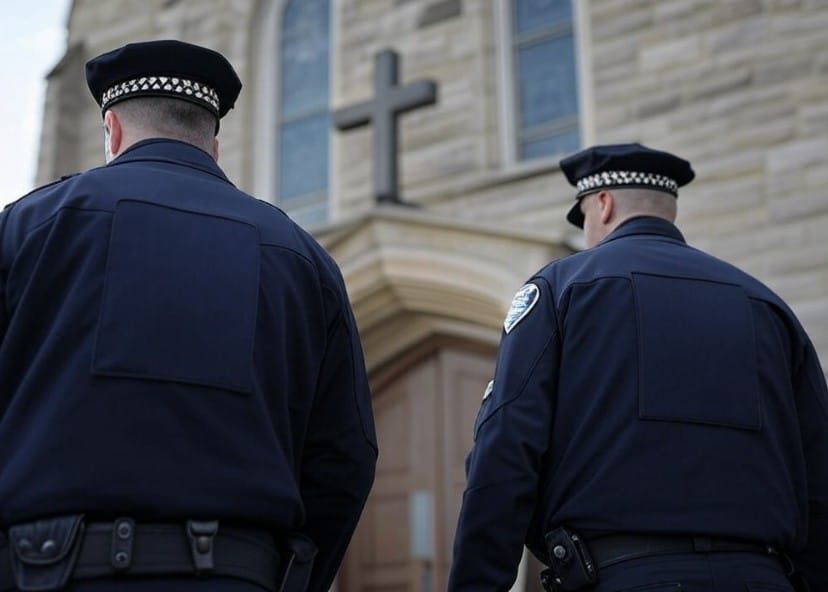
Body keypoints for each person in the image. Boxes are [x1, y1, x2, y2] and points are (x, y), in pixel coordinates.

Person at [0, 40, 377, 592]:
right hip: (237, 574)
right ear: (214, 144)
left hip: (45, 571)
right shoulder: (301, 258)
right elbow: (344, 457)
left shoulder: (29, 228)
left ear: (114, 130)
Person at [448, 143, 827, 592]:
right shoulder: (766, 305)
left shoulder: (562, 289)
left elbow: (506, 448)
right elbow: (818, 476)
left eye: (584, 218)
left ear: (603, 205)